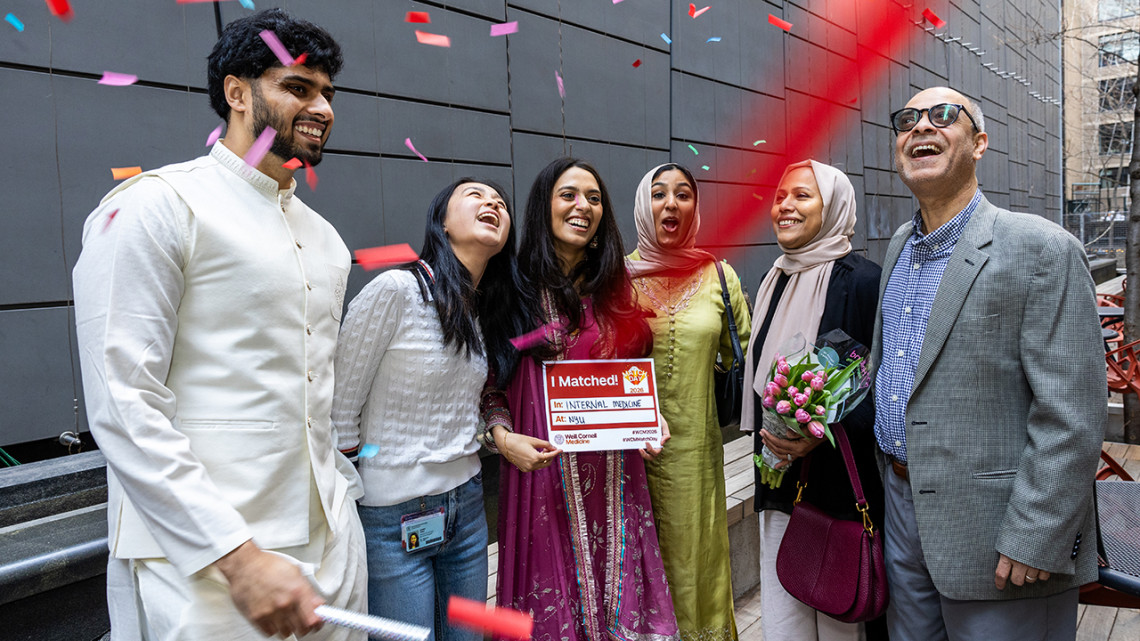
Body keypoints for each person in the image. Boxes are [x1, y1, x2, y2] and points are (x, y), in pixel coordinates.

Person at [73, 9, 365, 640]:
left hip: (334, 556)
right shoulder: (154, 205)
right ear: (237, 93)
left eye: (327, 94)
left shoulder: (328, 239)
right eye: (297, 87)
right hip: (206, 569)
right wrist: (236, 555)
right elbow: (124, 401)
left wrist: (343, 512)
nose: (322, 107)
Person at [873, 86, 1105, 640]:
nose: (922, 126)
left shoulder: (1042, 249)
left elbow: (1072, 413)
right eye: (908, 119)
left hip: (1002, 537)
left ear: (979, 143)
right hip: (903, 514)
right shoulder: (899, 245)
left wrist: (1038, 533)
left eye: (943, 115)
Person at [487, 158, 681, 641]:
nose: (583, 206)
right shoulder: (511, 289)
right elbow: (487, 384)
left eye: (594, 198)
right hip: (542, 482)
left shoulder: (615, 291)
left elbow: (630, 384)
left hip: (617, 481)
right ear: (543, 208)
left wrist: (649, 422)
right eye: (568, 194)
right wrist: (502, 439)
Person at [331, 178, 527, 641]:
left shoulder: (484, 314)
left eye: (500, 202)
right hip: (391, 517)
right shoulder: (396, 290)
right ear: (441, 221)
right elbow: (338, 412)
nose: (493, 203)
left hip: (468, 508)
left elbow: (464, 409)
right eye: (475, 196)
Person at [740, 160, 886, 641]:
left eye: (802, 196)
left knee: (841, 614)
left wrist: (818, 433)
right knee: (784, 614)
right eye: (780, 195)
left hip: (840, 486)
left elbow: (882, 384)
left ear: (834, 204)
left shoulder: (864, 281)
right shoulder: (773, 279)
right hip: (779, 480)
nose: (785, 205)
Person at [626, 163, 750, 641]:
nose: (671, 203)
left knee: (696, 558)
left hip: (696, 456)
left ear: (695, 208)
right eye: (658, 194)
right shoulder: (617, 278)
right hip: (629, 459)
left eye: (683, 194)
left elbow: (744, 348)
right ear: (644, 206)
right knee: (636, 562)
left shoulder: (720, 275)